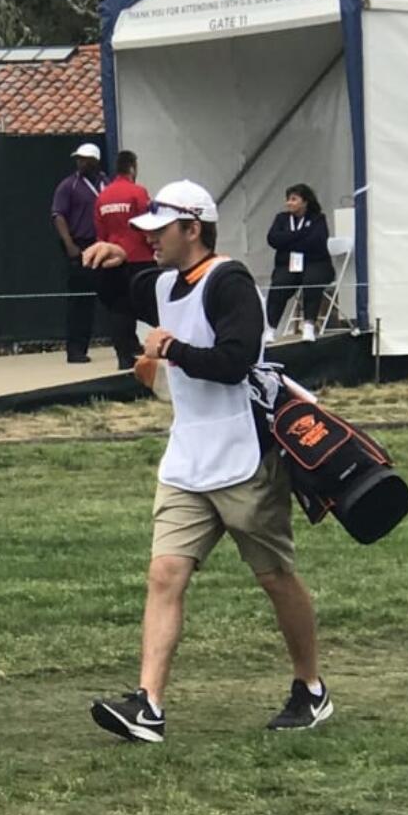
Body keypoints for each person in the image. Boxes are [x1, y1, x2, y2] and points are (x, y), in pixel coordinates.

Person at [82, 179, 333, 743]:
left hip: (244, 457)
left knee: (275, 577)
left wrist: (173, 351)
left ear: (192, 229)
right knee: (164, 573)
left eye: (160, 232)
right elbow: (122, 296)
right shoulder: (165, 281)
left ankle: (310, 688)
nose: (152, 242)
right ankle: (148, 705)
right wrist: (109, 264)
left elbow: (236, 360)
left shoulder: (230, 282)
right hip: (188, 456)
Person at [93, 149, 156, 369]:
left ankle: (124, 356)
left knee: (119, 310)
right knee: (151, 306)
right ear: (132, 168)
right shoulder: (138, 192)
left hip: (112, 261)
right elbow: (147, 225)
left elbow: (100, 233)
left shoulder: (103, 197)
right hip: (140, 259)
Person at [51, 142, 110, 364]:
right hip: (80, 244)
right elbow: (58, 215)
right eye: (78, 158)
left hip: (103, 245)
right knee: (80, 300)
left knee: (115, 296)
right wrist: (69, 245)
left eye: (85, 158)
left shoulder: (106, 183)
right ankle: (76, 350)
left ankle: (125, 344)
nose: (80, 162)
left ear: (95, 161)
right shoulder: (69, 185)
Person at [264, 183, 335, 343]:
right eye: (288, 199)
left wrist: (288, 241)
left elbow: (316, 241)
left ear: (305, 201)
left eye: (294, 199)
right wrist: (301, 234)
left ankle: (309, 325)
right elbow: (273, 239)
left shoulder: (318, 219)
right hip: (288, 265)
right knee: (279, 285)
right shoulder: (281, 218)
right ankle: (270, 329)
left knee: (312, 281)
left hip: (315, 263)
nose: (289, 203)